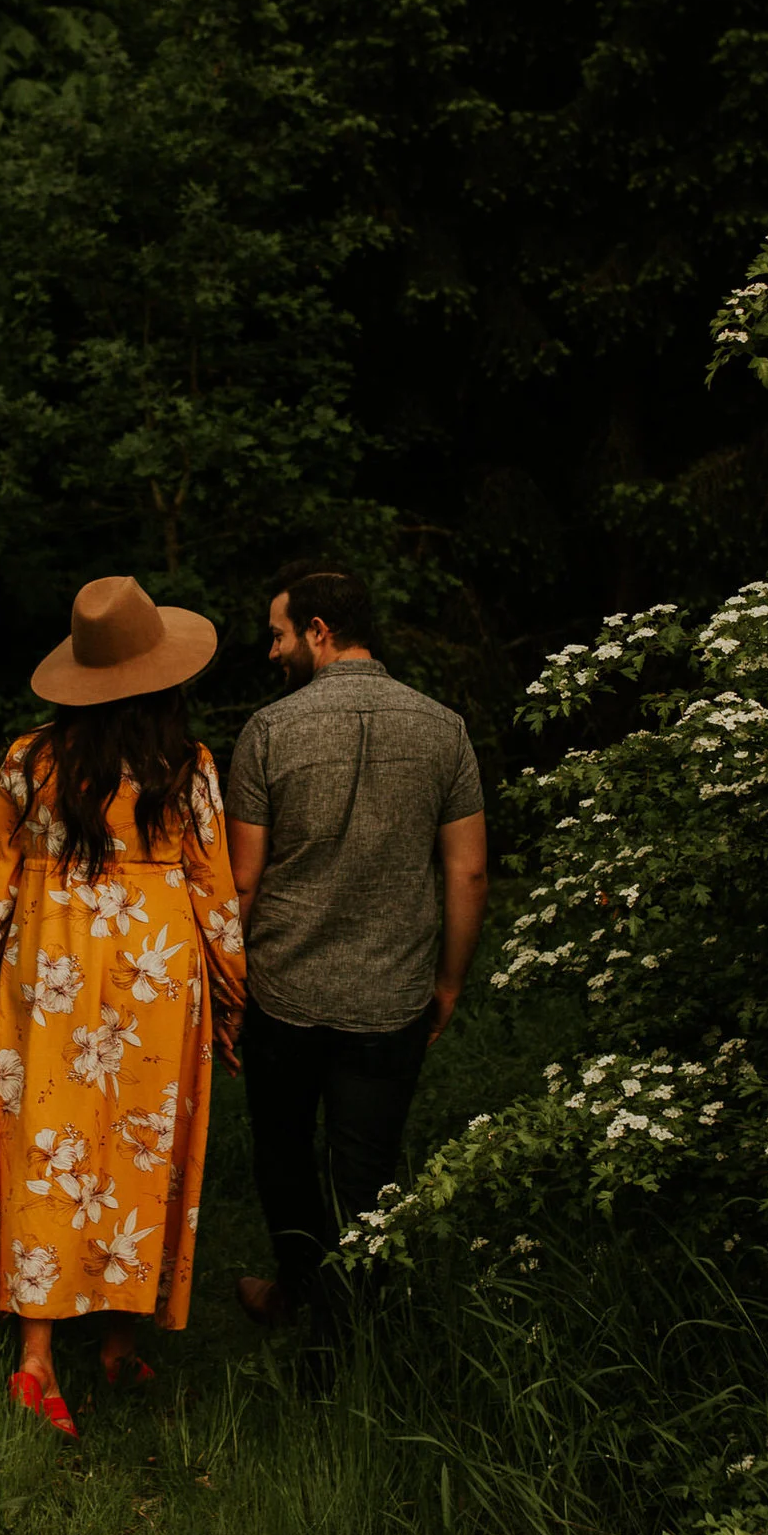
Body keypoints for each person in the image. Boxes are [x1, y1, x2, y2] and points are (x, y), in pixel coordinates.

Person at [0, 576, 247, 1440]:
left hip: (50, 964)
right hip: (158, 975)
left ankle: (37, 1359)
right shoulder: (189, 766)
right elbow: (216, 889)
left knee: (47, 1147)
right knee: (141, 1140)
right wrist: (234, 993)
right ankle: (121, 1339)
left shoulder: (27, 759)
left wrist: (4, 961)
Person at [223, 564, 489, 1355]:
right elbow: (469, 871)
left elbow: (242, 883)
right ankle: (345, 1337)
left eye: (278, 633)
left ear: (317, 630)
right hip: (391, 996)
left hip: (284, 992)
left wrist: (228, 988)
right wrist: (447, 982)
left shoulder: (267, 733)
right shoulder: (444, 729)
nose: (271, 651)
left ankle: (299, 1294)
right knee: (365, 1170)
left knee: (283, 1151)